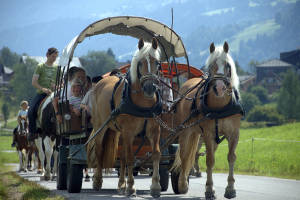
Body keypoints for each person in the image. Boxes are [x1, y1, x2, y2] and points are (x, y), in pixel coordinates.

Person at [28, 47, 58, 141]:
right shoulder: (40, 66)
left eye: (56, 57)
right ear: (47, 55)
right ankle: (33, 132)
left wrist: (56, 86)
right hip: (42, 94)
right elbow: (34, 82)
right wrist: (43, 89)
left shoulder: (57, 68)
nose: (54, 58)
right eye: (53, 56)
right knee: (31, 110)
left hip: (54, 94)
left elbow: (61, 83)